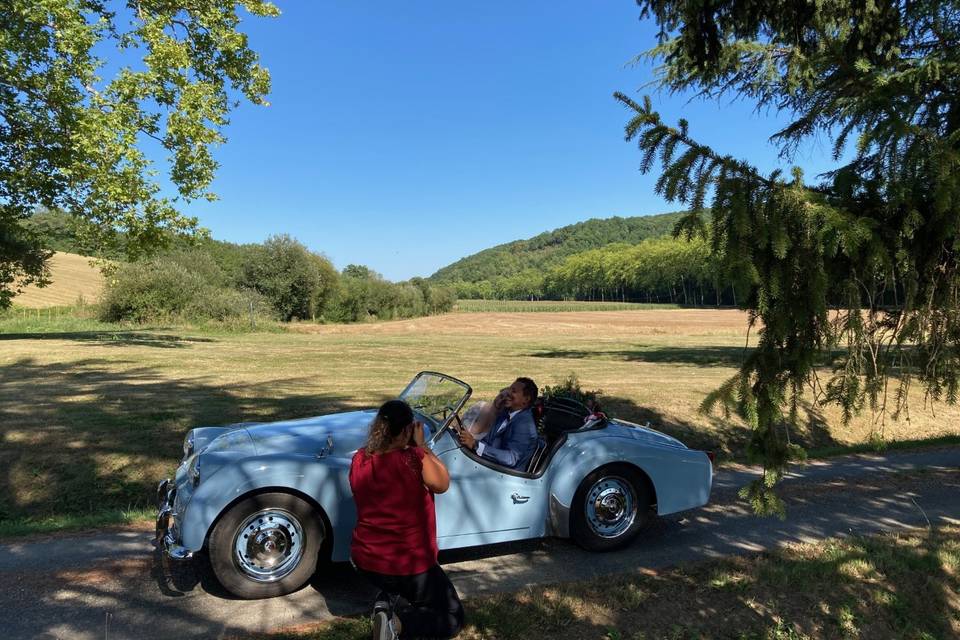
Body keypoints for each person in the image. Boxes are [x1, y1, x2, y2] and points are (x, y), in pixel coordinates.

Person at [349, 399, 464, 640]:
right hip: (408, 564)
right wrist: (423, 446)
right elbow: (442, 483)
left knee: (406, 587)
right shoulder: (413, 458)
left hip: (365, 559)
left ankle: (386, 600)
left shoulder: (359, 459)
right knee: (452, 615)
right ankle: (395, 626)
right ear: (405, 431)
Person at [457, 377, 539, 470]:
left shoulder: (524, 424)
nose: (508, 392)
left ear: (526, 400)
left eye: (514, 391)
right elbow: (487, 442)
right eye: (509, 389)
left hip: (504, 476)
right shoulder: (505, 414)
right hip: (486, 465)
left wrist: (475, 445)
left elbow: (511, 458)